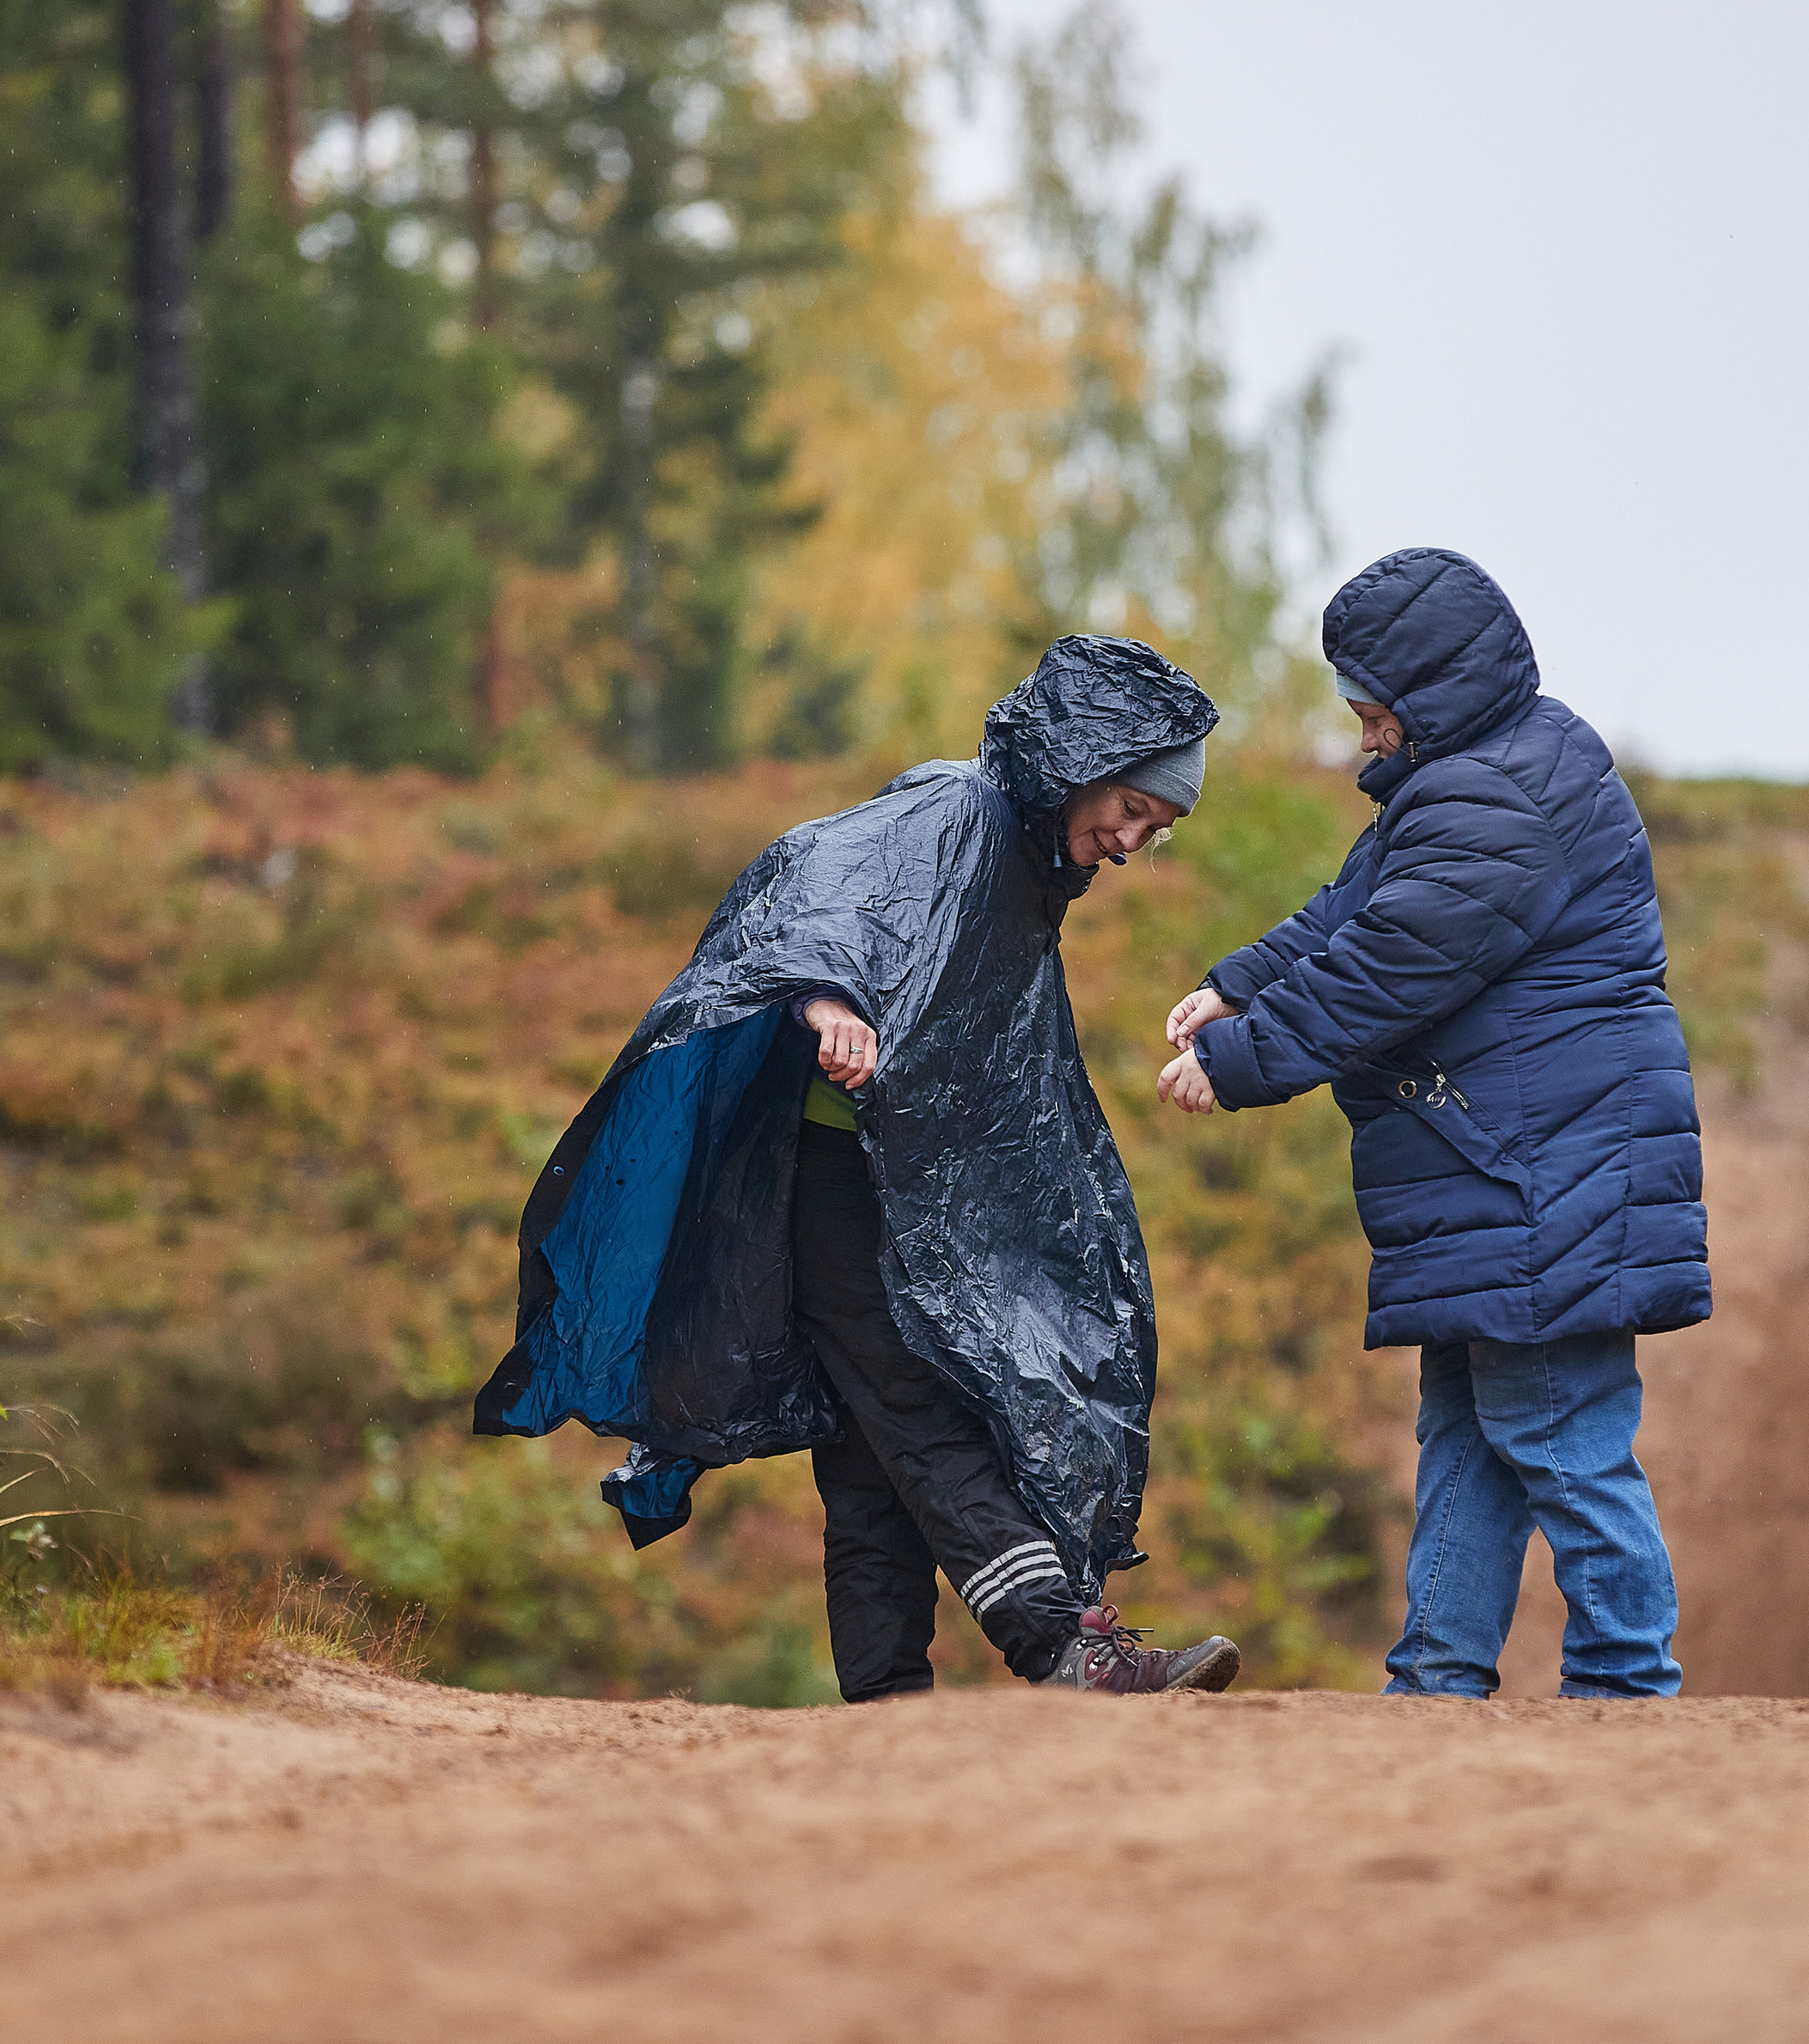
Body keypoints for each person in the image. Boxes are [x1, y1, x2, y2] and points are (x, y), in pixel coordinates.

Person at [476, 635, 1240, 1700]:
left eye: (1153, 833)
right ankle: (1063, 1643)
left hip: (910, 1183)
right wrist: (828, 1002)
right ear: (1081, 761)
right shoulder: (948, 813)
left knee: (871, 1449)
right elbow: (812, 892)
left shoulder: (1024, 863)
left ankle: (885, 1703)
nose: (1129, 841)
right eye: (1131, 809)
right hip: (839, 1178)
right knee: (927, 1401)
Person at [1156, 549, 1708, 1699]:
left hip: (1546, 1173)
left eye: (1371, 714)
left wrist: (1242, 1058)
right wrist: (1239, 980)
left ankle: (1626, 1687)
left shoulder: (1499, 799)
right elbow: (1357, 904)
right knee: (1469, 1436)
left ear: (1428, 698)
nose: (1363, 737)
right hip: (1509, 1169)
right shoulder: (1487, 771)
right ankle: (1438, 1683)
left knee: (1561, 1434)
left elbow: (1392, 962)